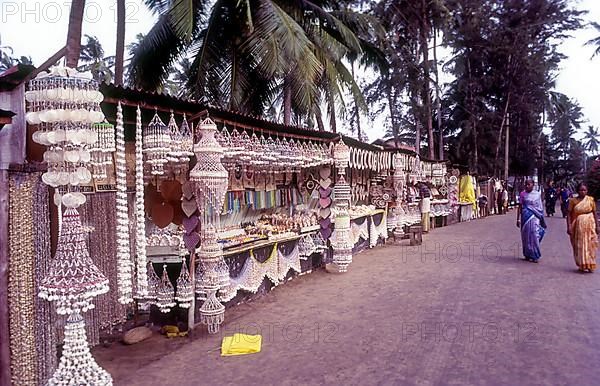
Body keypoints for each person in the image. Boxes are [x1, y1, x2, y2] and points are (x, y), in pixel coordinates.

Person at [566, 182, 599, 273]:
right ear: (578, 191)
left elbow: (594, 213)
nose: (583, 192)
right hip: (578, 226)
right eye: (581, 190)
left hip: (590, 225)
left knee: (590, 245)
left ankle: (590, 263)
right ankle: (582, 263)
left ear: (587, 191)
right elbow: (568, 214)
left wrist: (597, 226)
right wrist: (568, 226)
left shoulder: (590, 200)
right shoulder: (573, 201)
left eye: (585, 190)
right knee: (580, 245)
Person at [516, 179, 547, 263]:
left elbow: (540, 208)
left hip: (535, 217)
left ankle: (535, 255)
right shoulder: (522, 194)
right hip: (525, 217)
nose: (527, 186)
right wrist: (518, 219)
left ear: (533, 185)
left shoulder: (537, 195)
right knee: (525, 236)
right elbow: (520, 207)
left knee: (534, 234)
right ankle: (527, 254)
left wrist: (541, 219)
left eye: (529, 184)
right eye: (526, 184)